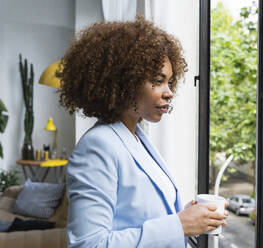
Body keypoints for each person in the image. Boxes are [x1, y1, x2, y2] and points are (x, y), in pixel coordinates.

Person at [59, 17, 227, 248]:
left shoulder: (136, 137)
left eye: (170, 82)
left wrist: (187, 217)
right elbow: (88, 244)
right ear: (124, 82)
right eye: (158, 81)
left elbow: (136, 214)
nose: (169, 93)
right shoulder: (97, 146)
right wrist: (179, 225)